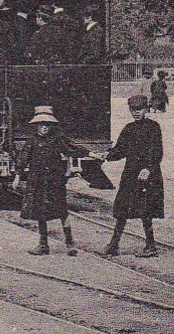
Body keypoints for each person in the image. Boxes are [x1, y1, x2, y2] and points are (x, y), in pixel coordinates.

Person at [20, 105, 89, 256]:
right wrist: (18, 176)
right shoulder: (32, 141)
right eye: (41, 125)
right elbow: (23, 159)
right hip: (37, 181)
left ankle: (70, 243)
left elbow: (71, 149)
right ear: (36, 125)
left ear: (51, 126)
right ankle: (43, 245)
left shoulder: (57, 140)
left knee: (62, 211)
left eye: (47, 125)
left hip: (55, 181)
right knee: (40, 214)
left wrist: (88, 153)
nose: (44, 128)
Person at [103, 94, 164, 257]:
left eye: (140, 109)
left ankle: (150, 246)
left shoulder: (153, 127)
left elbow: (157, 151)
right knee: (123, 209)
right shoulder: (128, 128)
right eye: (133, 110)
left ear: (146, 109)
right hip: (130, 173)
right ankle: (114, 245)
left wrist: (149, 169)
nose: (136, 112)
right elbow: (120, 150)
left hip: (148, 175)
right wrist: (107, 155)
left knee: (146, 211)